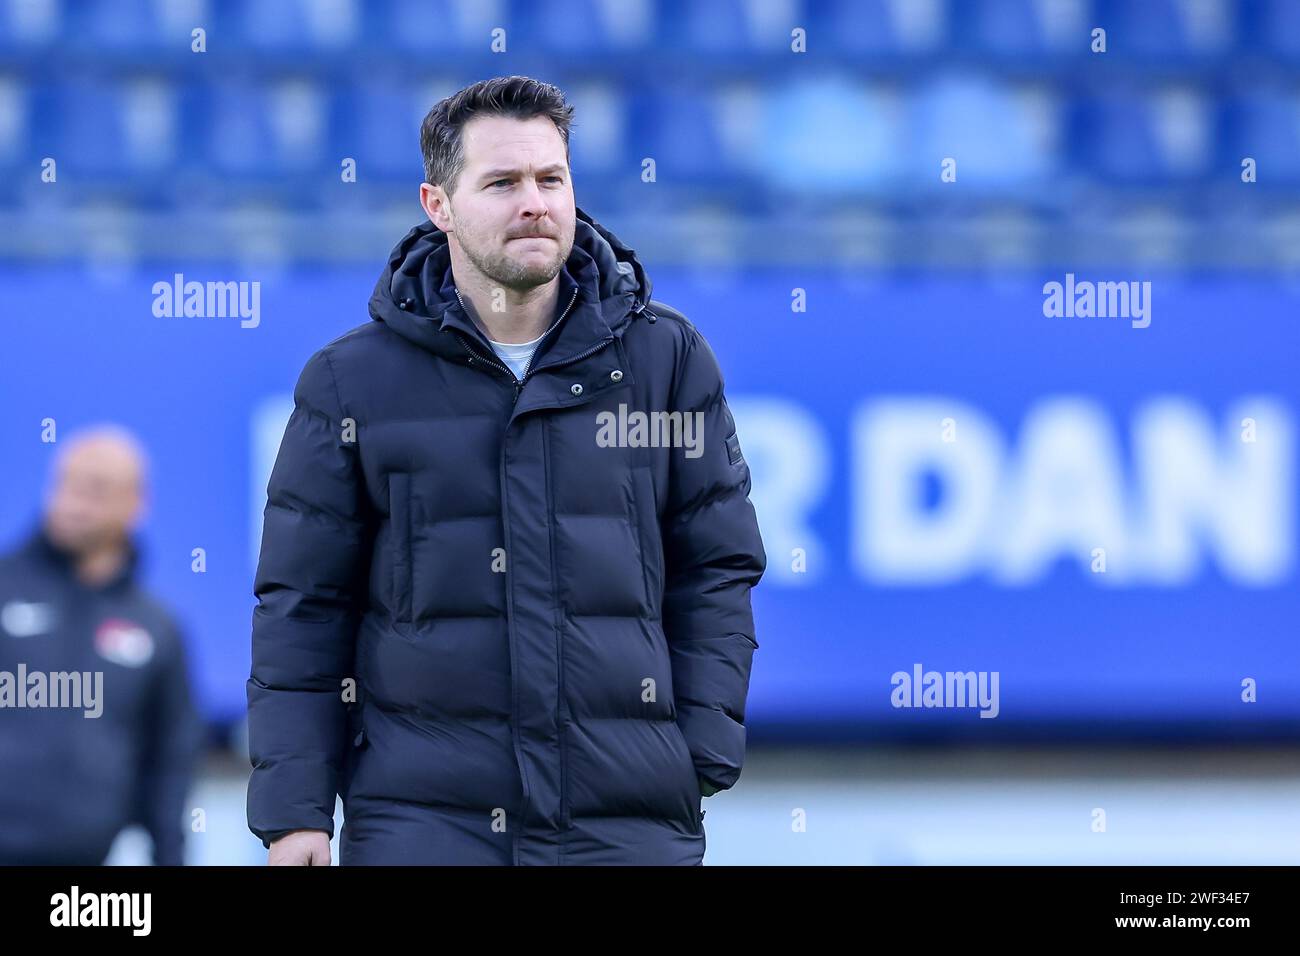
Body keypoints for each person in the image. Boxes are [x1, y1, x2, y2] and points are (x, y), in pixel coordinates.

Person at [247, 75, 766, 866]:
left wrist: (696, 751)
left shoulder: (668, 360)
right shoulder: (349, 384)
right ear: (438, 205)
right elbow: (302, 611)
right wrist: (295, 811)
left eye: (550, 178)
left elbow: (717, 569)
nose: (535, 202)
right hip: (424, 826)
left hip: (628, 823)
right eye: (503, 183)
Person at [0, 425, 203, 865]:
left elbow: (169, 765)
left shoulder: (157, 627)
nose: (74, 502)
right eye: (66, 483)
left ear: (137, 503)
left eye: (96, 489)